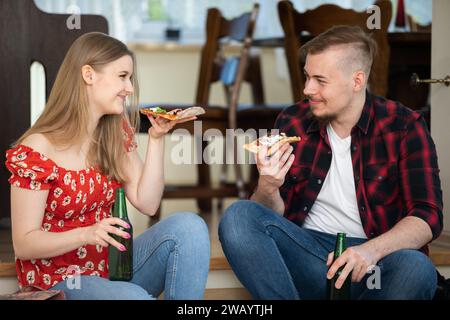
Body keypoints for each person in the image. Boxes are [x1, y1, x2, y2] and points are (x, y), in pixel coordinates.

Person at [219, 26, 443, 300]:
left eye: (320, 80)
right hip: (309, 256)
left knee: (417, 269)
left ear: (357, 81)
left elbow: (427, 216)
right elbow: (271, 216)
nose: (307, 89)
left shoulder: (405, 126)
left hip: (375, 263)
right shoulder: (293, 120)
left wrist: (370, 251)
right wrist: (268, 186)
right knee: (239, 216)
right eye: (307, 76)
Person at [5, 32, 210, 300]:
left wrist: (157, 139)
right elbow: (24, 244)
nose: (130, 88)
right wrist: (87, 233)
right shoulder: (38, 149)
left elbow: (148, 203)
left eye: (130, 79)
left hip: (113, 268)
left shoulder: (114, 132)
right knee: (133, 298)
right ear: (88, 75)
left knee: (190, 227)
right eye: (122, 76)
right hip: (63, 281)